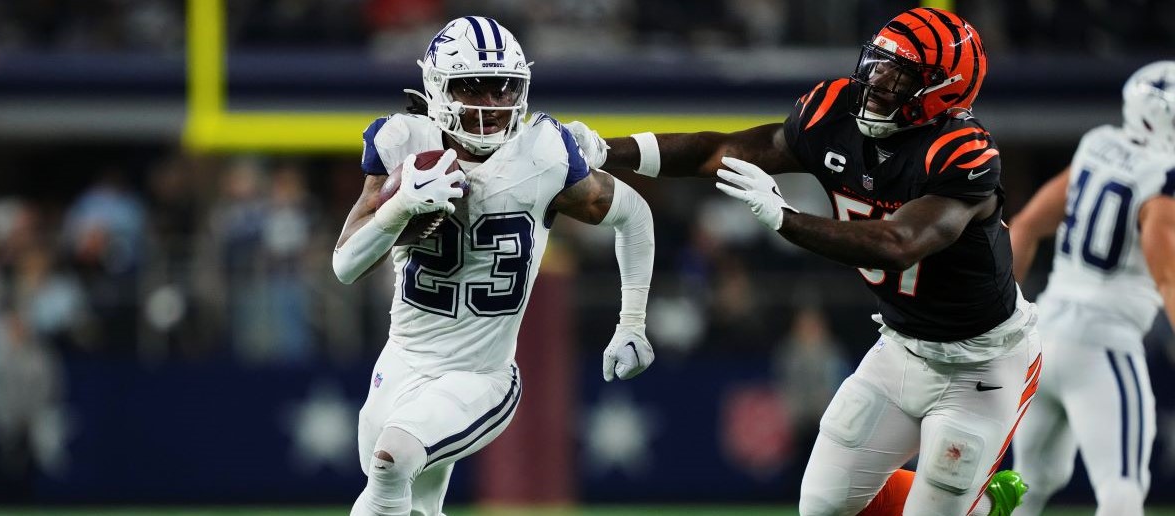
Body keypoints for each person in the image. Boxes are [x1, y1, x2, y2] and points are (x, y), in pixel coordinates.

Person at [568, 7, 1035, 516]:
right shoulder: (834, 111)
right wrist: (604, 150)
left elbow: (900, 242)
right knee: (823, 505)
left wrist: (784, 219)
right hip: (902, 346)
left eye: (899, 75)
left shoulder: (963, 152)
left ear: (943, 91)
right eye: (877, 64)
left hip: (982, 363)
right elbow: (719, 150)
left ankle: (984, 506)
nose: (876, 82)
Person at [332, 17, 657, 516]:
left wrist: (632, 321)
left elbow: (633, 213)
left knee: (391, 461)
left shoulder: (544, 154)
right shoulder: (403, 143)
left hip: (480, 375)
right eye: (472, 87)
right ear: (438, 88)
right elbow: (345, 265)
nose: (490, 104)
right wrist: (401, 208)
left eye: (504, 88)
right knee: (415, 505)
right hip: (400, 362)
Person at [1007, 61, 1175, 516]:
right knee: (1122, 489)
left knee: (1026, 485)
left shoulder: (1097, 144)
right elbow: (1168, 278)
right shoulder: (1161, 179)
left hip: (1043, 338)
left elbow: (1023, 226)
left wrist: (993, 321)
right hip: (1104, 343)